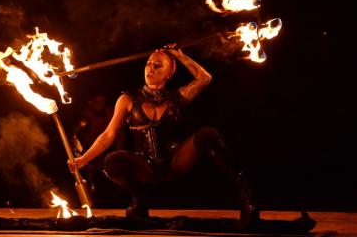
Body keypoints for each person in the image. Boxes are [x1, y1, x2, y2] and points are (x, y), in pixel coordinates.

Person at [68, 44, 259, 225]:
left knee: (208, 134)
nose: (150, 68)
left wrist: (179, 55)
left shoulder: (178, 97)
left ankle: (246, 195)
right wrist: (83, 159)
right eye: (148, 64)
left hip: (174, 162)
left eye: (158, 65)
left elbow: (205, 78)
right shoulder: (128, 99)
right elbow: (108, 134)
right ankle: (139, 198)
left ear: (170, 73)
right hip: (144, 167)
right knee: (113, 160)